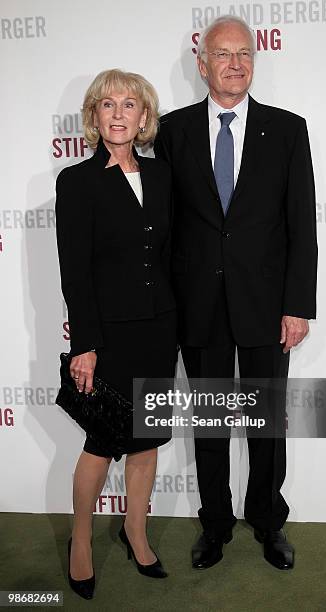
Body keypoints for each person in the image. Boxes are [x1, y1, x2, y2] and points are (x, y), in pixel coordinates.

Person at [154, 16, 317, 571]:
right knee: (210, 426)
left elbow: (302, 224)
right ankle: (216, 525)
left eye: (244, 53)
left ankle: (269, 521)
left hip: (268, 309)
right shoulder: (172, 133)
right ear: (202, 64)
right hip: (198, 308)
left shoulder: (288, 129)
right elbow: (165, 226)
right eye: (222, 54)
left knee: (266, 423)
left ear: (255, 60)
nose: (235, 63)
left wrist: (298, 304)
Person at [55, 69, 177, 599]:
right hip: (108, 337)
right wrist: (84, 343)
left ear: (144, 117)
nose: (119, 113)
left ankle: (135, 530)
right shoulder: (76, 182)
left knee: (146, 442)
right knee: (102, 443)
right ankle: (81, 542)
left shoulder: (164, 176)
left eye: (130, 104)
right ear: (95, 116)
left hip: (158, 329)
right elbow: (74, 271)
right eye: (108, 105)